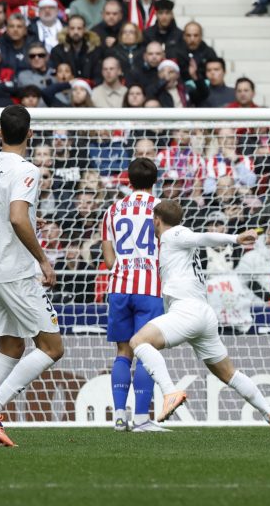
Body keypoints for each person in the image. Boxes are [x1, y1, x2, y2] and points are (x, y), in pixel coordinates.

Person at [129, 200, 270, 430]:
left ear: (157, 220)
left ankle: (170, 392)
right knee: (228, 373)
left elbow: (202, 237)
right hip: (202, 314)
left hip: (187, 312)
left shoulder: (174, 235)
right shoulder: (175, 244)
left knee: (138, 341)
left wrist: (235, 238)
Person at [0, 105, 63, 447]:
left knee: (11, 346)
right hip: (15, 272)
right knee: (52, 347)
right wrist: (43, 260)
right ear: (30, 134)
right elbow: (19, 217)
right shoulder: (27, 170)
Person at [100, 158, 164, 432]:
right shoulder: (162, 209)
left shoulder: (113, 209)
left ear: (128, 180)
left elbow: (107, 254)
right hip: (150, 288)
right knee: (147, 353)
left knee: (123, 352)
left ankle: (118, 415)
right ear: (155, 180)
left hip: (119, 287)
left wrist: (122, 270)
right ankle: (140, 419)